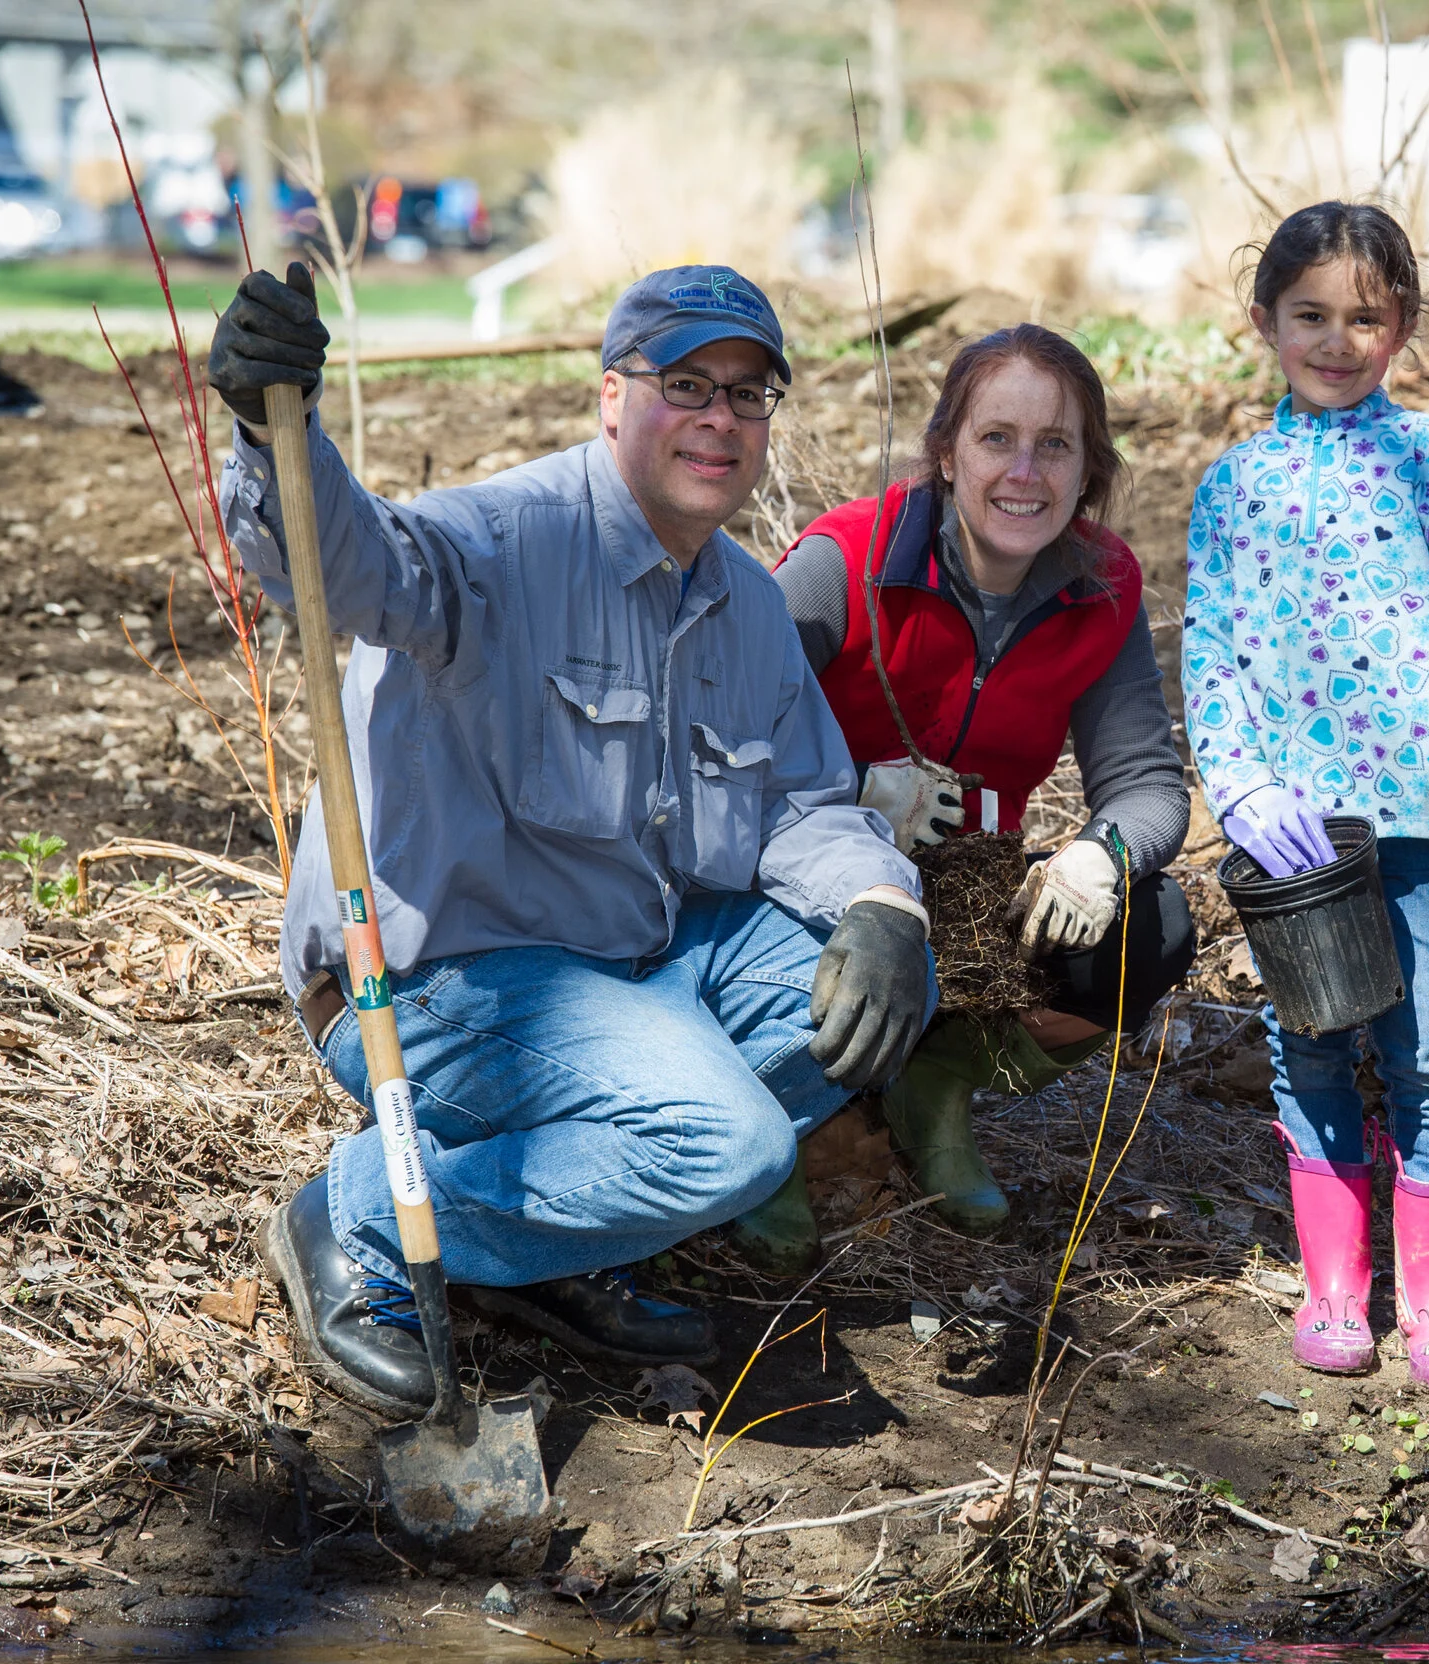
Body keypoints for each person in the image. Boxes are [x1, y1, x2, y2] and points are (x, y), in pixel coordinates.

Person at [209, 262, 936, 1417]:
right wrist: (268, 428)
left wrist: (884, 902)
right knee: (730, 1148)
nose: (719, 419)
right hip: (443, 982)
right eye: (687, 383)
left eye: (748, 396)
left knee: (862, 992)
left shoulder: (744, 600)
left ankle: (548, 1245)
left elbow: (804, 805)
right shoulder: (498, 542)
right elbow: (340, 560)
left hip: (632, 965)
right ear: (612, 395)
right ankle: (358, 1218)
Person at [726, 324, 1194, 1273]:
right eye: (996, 438)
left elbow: (1145, 782)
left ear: (1088, 466)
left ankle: (938, 1083)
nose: (1025, 471)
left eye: (1056, 444)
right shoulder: (844, 563)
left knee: (1157, 928)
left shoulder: (1098, 589)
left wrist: (1101, 853)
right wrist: (850, 795)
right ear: (946, 450)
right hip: (805, 879)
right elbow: (720, 732)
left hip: (966, 889)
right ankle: (772, 1121)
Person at [1182, 203, 1429, 1394]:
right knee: (1311, 1047)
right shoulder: (1235, 482)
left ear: (1403, 326)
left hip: (1422, 829)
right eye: (1310, 317)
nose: (1336, 341)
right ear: (1266, 324)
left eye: (1363, 317)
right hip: (1298, 840)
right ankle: (1338, 1285)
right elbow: (1212, 649)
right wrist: (1237, 783)